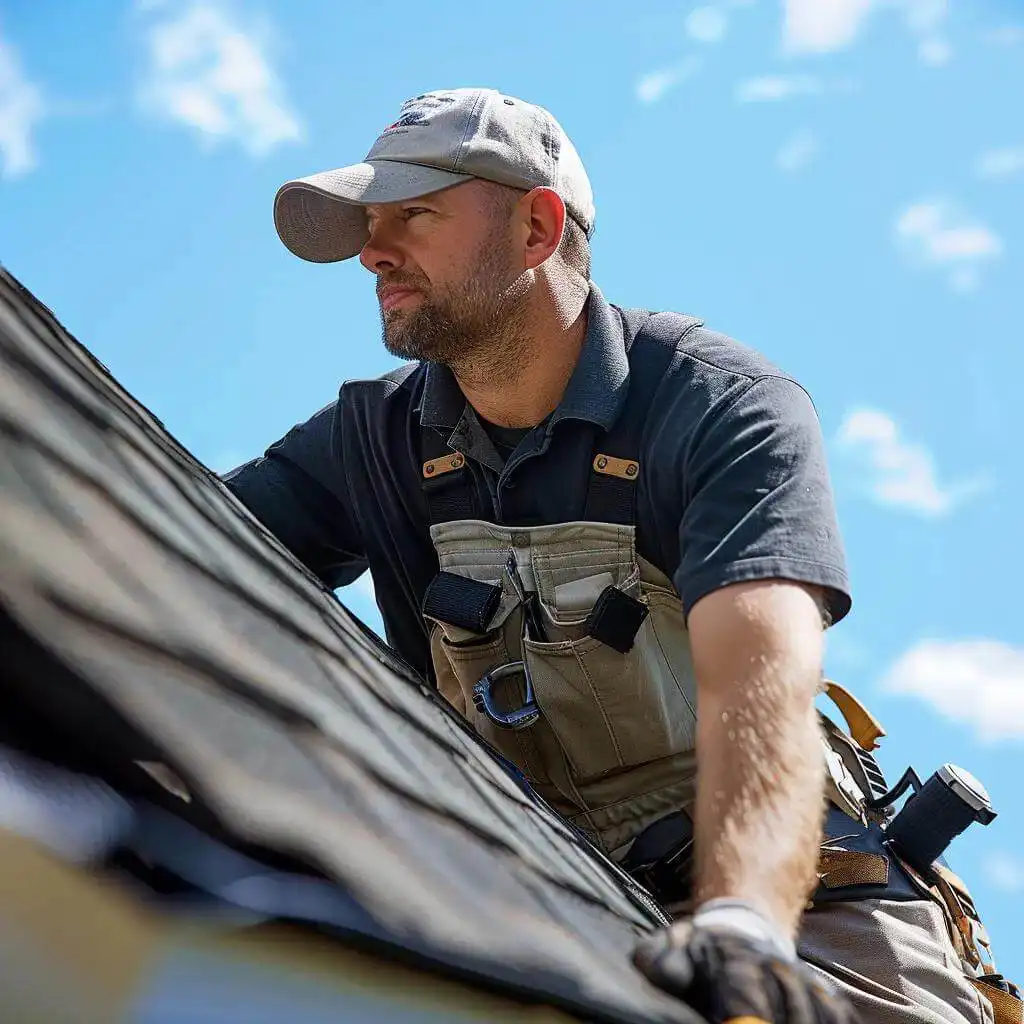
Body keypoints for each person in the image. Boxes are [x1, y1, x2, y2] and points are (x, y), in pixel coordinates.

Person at [223, 87, 1003, 1024]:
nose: (373, 251)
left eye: (413, 216)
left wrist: (745, 923)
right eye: (369, 226)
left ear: (537, 227)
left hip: (796, 907)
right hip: (522, 899)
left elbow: (758, 692)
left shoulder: (722, 408)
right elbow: (178, 563)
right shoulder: (371, 442)